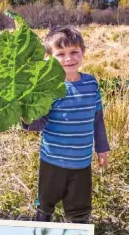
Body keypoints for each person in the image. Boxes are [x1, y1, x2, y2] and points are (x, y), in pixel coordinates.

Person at [23, 26, 110, 223]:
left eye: (73, 52)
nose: (68, 59)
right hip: (52, 160)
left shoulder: (91, 83)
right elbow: (40, 122)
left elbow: (97, 118)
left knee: (79, 206)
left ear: (83, 52)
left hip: (82, 162)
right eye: (60, 54)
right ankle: (41, 229)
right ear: (49, 58)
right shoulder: (49, 88)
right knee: (46, 201)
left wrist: (101, 148)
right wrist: (26, 115)